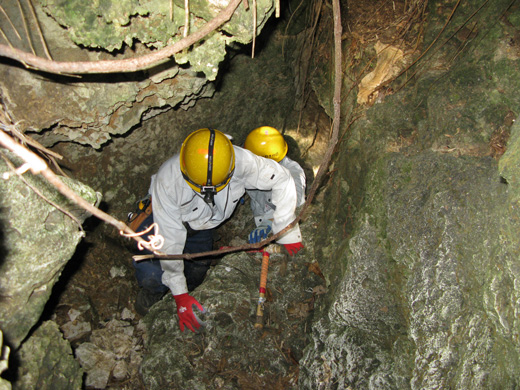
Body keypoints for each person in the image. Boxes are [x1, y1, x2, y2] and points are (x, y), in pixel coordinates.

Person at [131, 128, 303, 332]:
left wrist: (286, 230)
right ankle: (151, 296)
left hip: (203, 224)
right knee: (151, 274)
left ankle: (187, 292)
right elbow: (170, 238)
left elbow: (282, 179)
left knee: (197, 271)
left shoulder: (243, 162)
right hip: (161, 220)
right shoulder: (169, 180)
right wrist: (179, 294)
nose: (209, 192)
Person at [243, 126, 306, 244]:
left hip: (281, 222)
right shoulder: (251, 161)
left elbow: (292, 202)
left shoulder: (293, 173)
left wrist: (270, 221)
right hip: (261, 213)